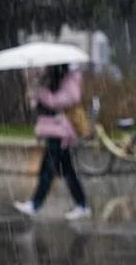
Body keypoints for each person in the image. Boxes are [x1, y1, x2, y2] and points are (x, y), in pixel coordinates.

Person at [14, 64, 91, 220]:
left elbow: (64, 100)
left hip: (61, 132)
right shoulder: (52, 78)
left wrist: (42, 94)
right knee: (67, 172)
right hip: (52, 130)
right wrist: (36, 91)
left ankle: (35, 204)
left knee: (48, 170)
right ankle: (82, 205)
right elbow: (44, 103)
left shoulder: (69, 80)